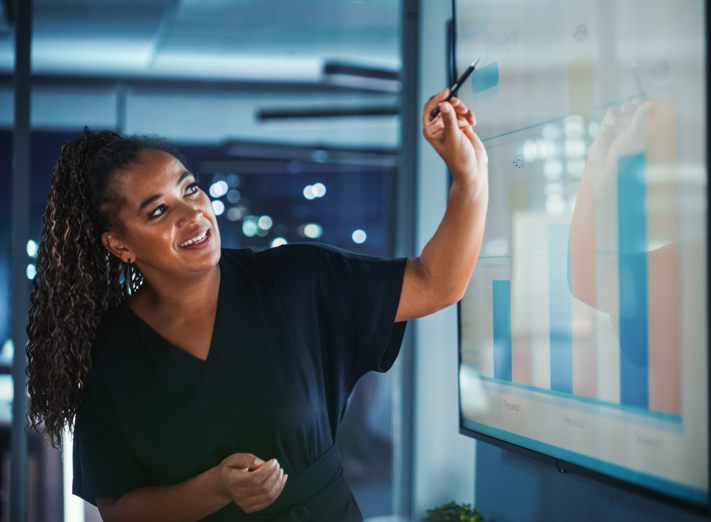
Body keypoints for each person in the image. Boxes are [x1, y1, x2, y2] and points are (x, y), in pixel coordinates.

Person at [25, 90, 488, 522]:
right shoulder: (111, 356)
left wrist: (469, 177)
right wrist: (215, 488)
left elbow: (435, 284)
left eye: (189, 189)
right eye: (158, 211)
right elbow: (119, 510)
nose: (193, 214)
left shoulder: (297, 280)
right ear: (120, 244)